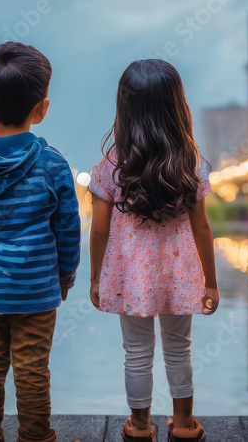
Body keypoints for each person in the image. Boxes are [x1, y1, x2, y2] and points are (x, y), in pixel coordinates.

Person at [0, 42, 81, 442]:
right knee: (32, 369)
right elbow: (68, 228)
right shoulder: (52, 164)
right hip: (38, 289)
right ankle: (35, 436)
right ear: (41, 108)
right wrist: (66, 275)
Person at [88, 59, 219, 442]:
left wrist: (97, 279)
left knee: (136, 352)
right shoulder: (190, 165)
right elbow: (203, 228)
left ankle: (141, 426)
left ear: (124, 109)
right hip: (180, 276)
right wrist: (210, 283)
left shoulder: (111, 167)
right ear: (177, 107)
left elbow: (99, 229)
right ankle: (182, 425)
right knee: (180, 350)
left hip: (130, 277)